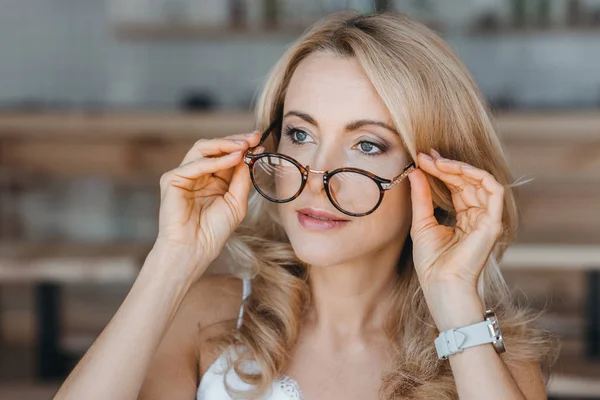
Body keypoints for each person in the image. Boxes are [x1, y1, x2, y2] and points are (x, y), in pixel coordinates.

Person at [54, 11, 558, 400]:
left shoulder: (491, 359)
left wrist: (453, 299)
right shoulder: (204, 318)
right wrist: (170, 262)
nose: (314, 178)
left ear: (439, 172)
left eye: (367, 145)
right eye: (299, 134)